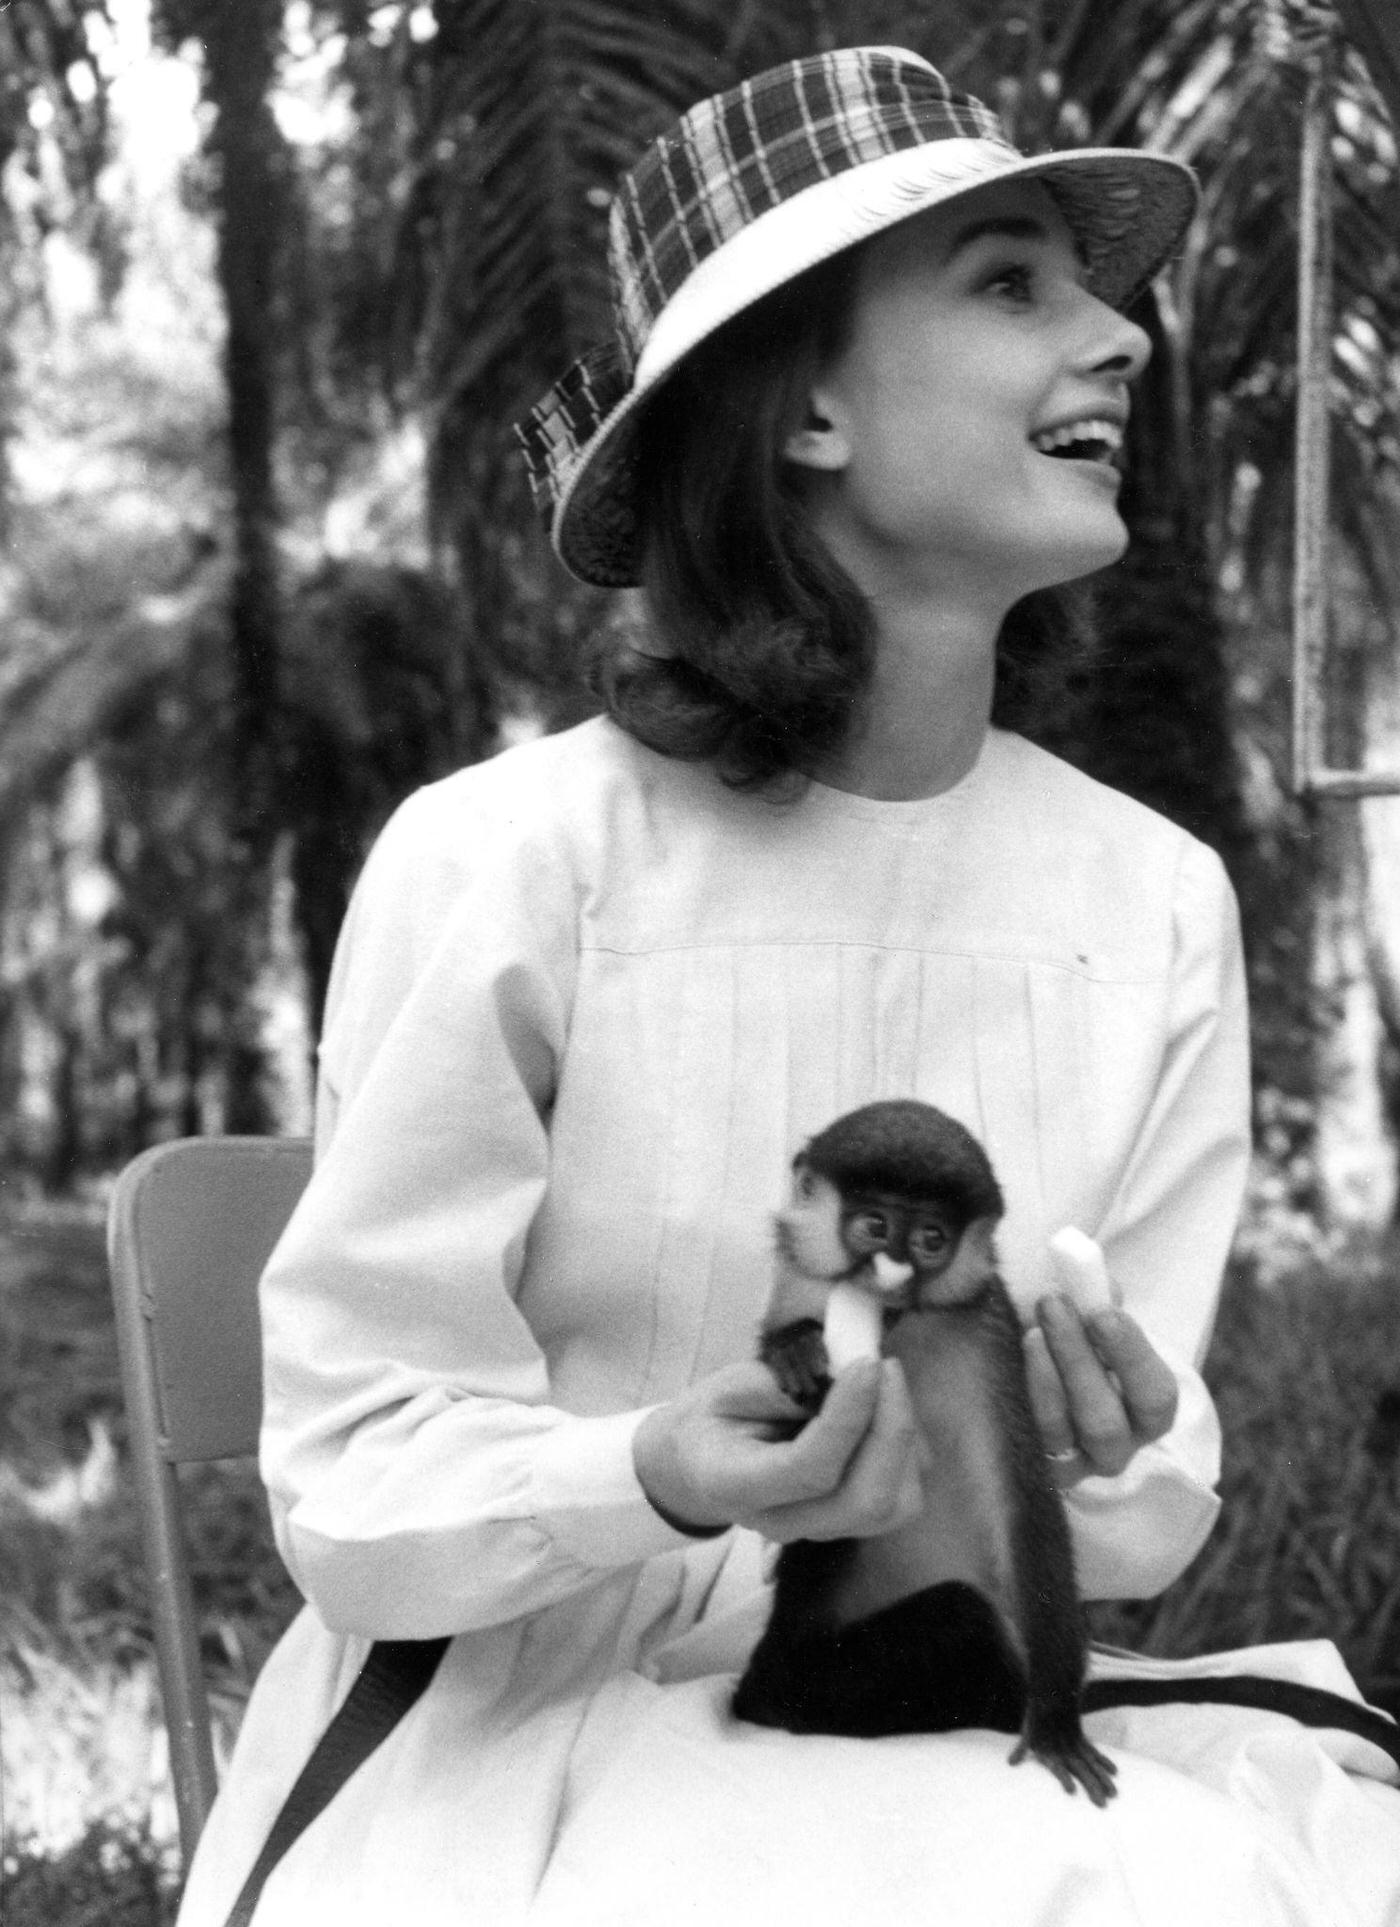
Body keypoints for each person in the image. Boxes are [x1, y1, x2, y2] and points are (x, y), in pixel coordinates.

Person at [176, 47, 1400, 1927]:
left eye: (1092, 283)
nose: (1127, 340)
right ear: (805, 405)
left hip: (929, 1707)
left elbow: (1141, 1514)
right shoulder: (510, 859)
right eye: (1011, 282)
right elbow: (351, 1479)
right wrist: (650, 1472)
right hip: (519, 1735)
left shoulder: (1154, 900)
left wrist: (1108, 1446)